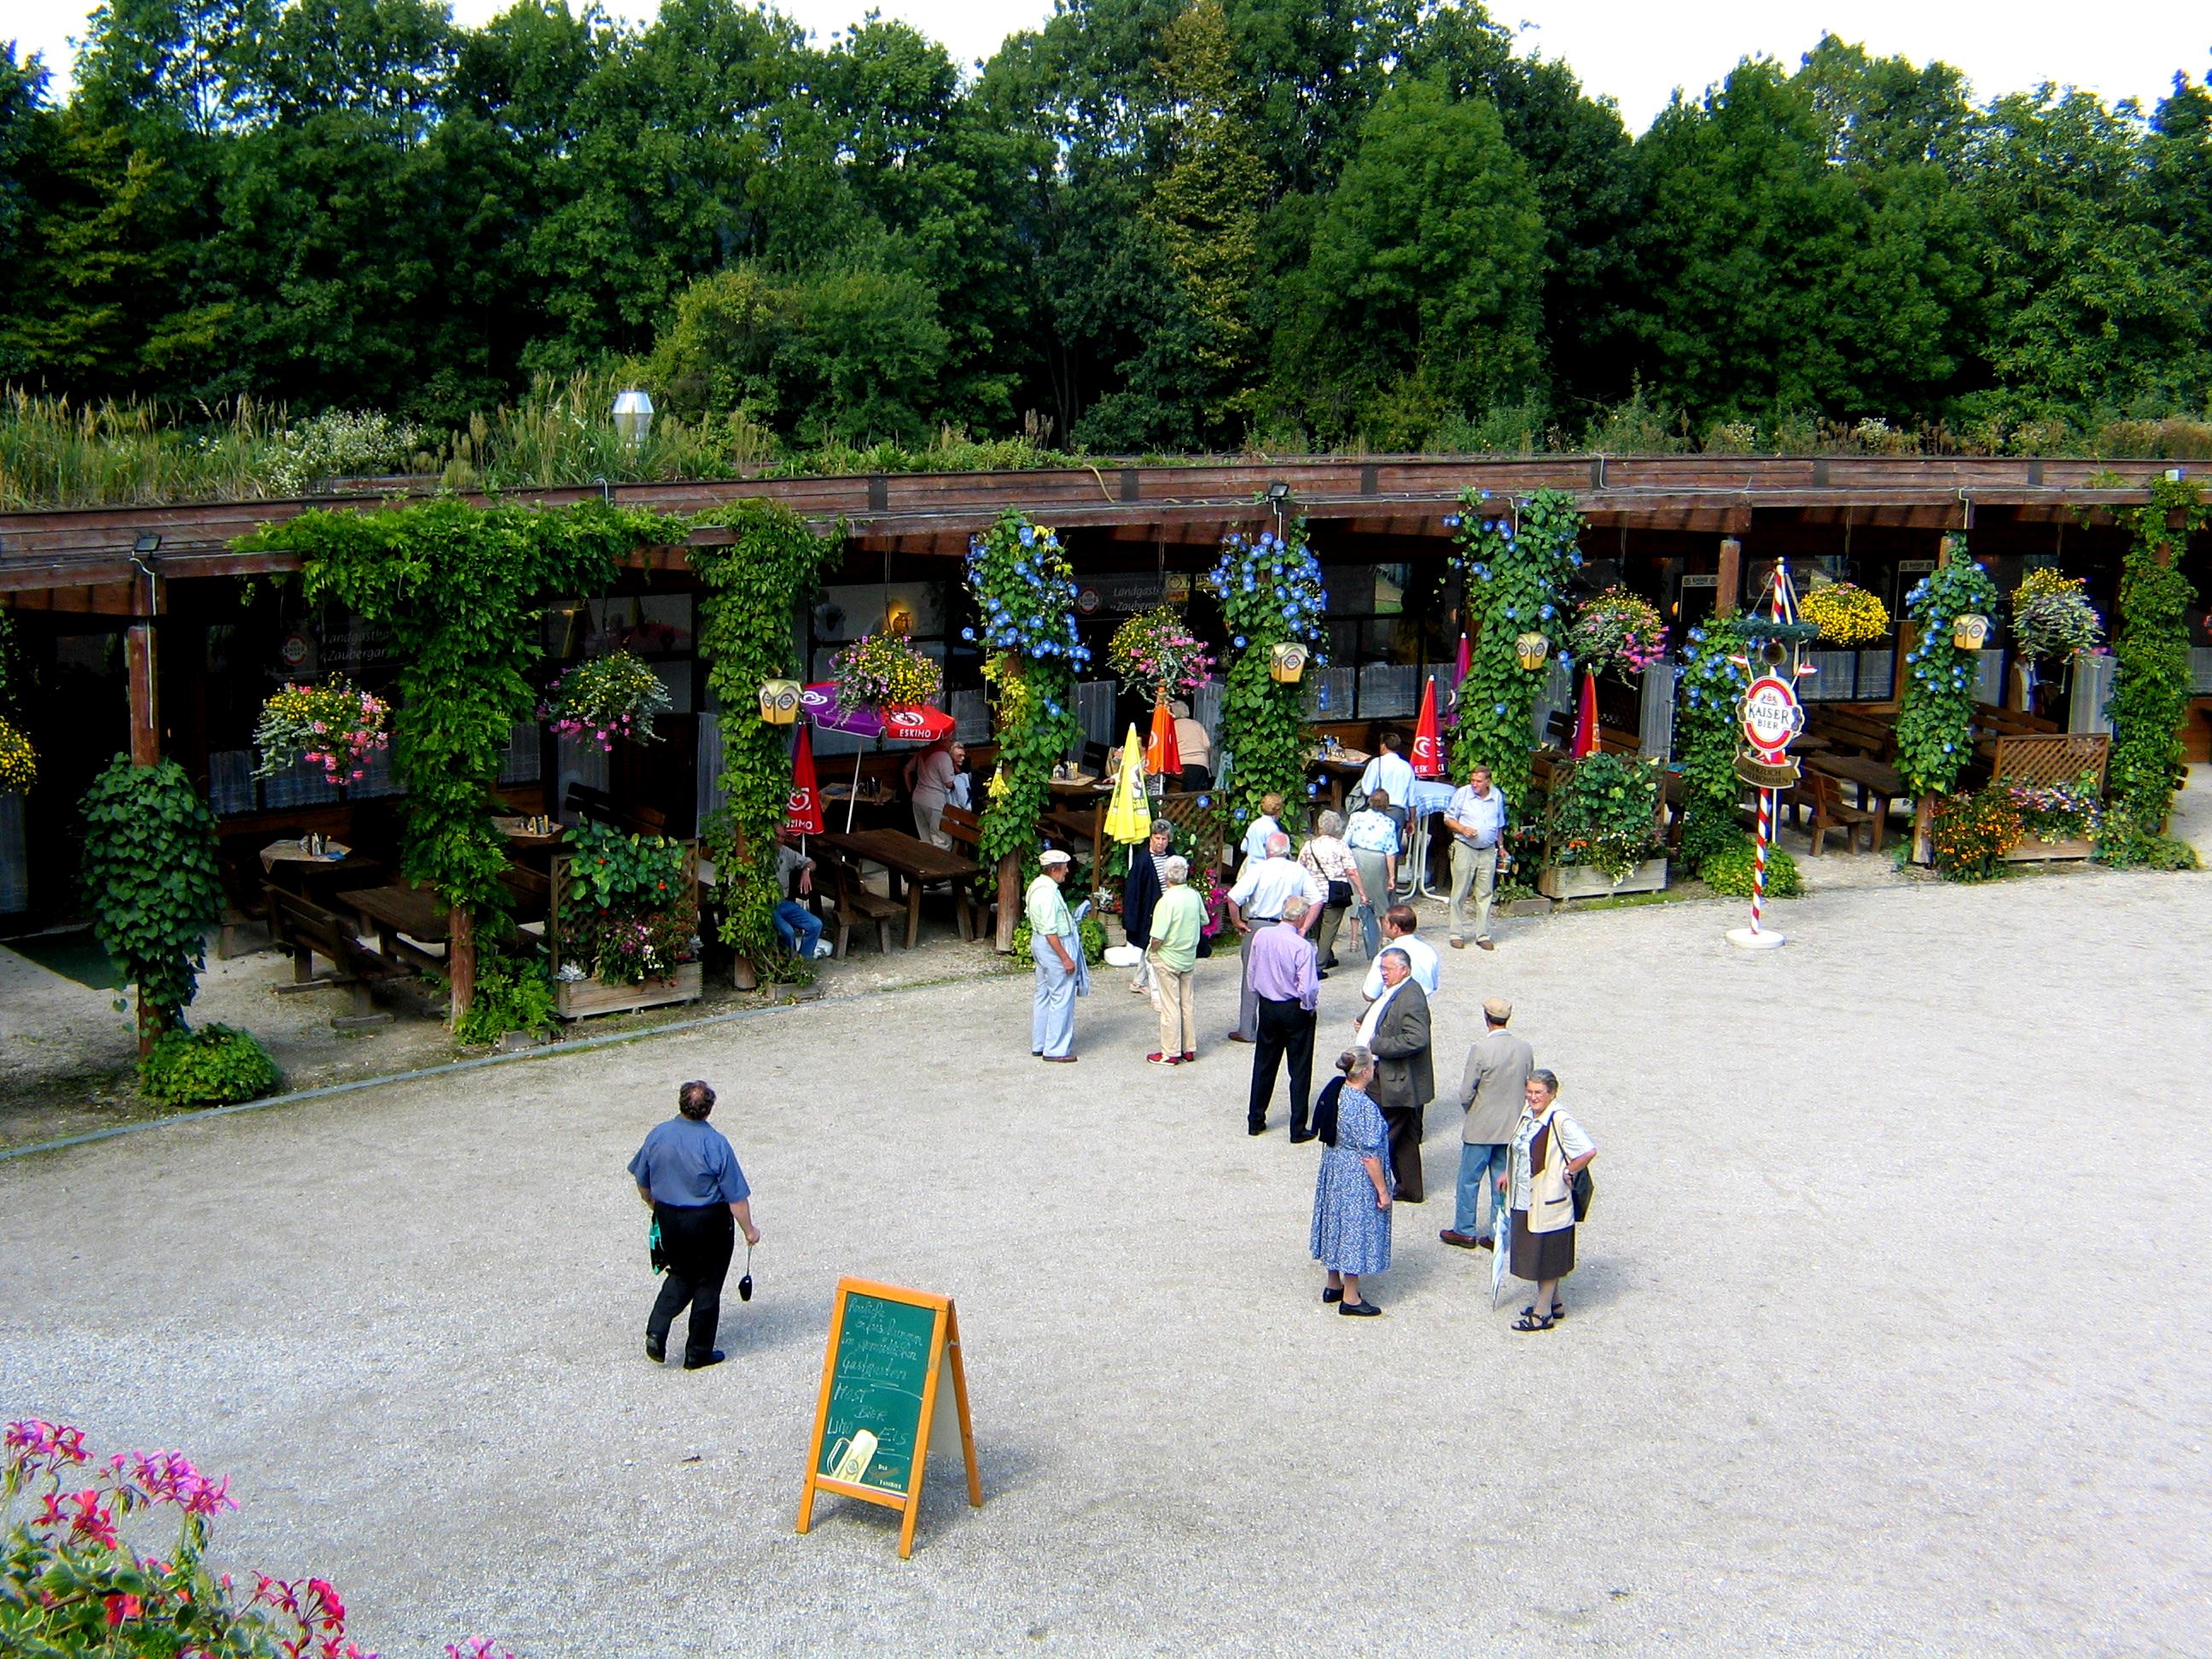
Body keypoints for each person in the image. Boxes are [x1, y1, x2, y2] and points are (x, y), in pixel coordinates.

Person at [628, 1080, 760, 1371]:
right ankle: (698, 1352)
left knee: (680, 1274)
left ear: (680, 1103)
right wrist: (749, 1230)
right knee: (708, 1285)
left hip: (669, 1217)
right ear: (709, 1109)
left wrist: (654, 1204)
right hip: (707, 1222)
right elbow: (735, 1197)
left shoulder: (658, 1134)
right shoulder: (715, 1143)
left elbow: (641, 1180)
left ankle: (656, 1329)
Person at [1502, 1069, 1597, 1331]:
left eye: (1538, 1093)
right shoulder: (1529, 1114)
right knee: (1536, 1251)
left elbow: (1588, 1150)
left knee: (1545, 1255)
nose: (1532, 1097)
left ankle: (1542, 1313)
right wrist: (1506, 1173)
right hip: (1526, 1197)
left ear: (1552, 1093)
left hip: (1548, 1199)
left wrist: (1569, 1170)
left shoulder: (1560, 1119)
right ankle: (1554, 1302)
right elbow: (1520, 1148)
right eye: (1530, 1091)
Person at [1440, 997, 1534, 1249]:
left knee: (1469, 1180)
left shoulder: (1481, 1049)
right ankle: (1498, 1232)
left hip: (1481, 1127)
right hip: (1510, 1127)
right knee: (1501, 1182)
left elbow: (1466, 1091)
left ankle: (1465, 1229)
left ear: (1486, 1017)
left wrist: (1471, 1110)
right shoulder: (1524, 1048)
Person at [1310, 1046, 1393, 1317]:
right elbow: (1370, 1156)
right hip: (1356, 1173)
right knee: (1355, 1228)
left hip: (1335, 1165)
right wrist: (1383, 1191)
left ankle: (1333, 1283)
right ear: (1366, 1071)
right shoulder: (1365, 1107)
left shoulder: (1337, 1091)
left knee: (1335, 1220)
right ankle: (1351, 1296)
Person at [1225, 830, 1323, 1045]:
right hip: (1288, 925)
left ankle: (1247, 1029)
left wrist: (1237, 922)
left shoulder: (1259, 869)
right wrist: (1304, 927)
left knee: (1252, 976)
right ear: (1287, 851)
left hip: (1259, 924)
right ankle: (1285, 1025)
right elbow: (1317, 900)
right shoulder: (1298, 870)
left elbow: (1233, 898)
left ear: (1267, 851)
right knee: (1288, 975)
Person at [1357, 947, 1433, 1202]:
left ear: (1404, 969)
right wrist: (1365, 1020)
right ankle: (1410, 1188)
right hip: (1392, 1077)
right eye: (1382, 969)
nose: (1383, 974)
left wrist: (1377, 1044)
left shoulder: (1411, 996)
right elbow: (1384, 1010)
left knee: (1382, 1133)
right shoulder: (1398, 989)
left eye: (1387, 969)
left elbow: (1417, 1038)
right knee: (1406, 1137)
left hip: (1396, 1080)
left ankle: (1370, 1186)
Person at [1246, 894, 1320, 1138]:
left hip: (1267, 1005)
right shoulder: (1302, 946)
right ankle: (1297, 1127)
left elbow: (1252, 969)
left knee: (1264, 1063)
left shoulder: (1262, 935)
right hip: (1293, 1007)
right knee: (1299, 1067)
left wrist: (1257, 991)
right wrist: (1308, 1007)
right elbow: (1308, 987)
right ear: (1300, 918)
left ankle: (1255, 1119)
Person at [1027, 848, 1088, 1062]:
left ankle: (1040, 1043)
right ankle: (1056, 1048)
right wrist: (1065, 958)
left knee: (1043, 994)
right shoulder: (1048, 894)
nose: (1067, 872)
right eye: (1064, 868)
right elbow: (1050, 932)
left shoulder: (1037, 886)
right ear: (1054, 869)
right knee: (1062, 996)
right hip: (1052, 945)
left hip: (1039, 945)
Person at [1145, 854, 1206, 1064]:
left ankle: (1170, 1052)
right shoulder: (1194, 895)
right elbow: (1204, 920)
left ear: (1166, 875)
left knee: (1170, 1005)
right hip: (1188, 956)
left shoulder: (1166, 900)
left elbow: (1157, 937)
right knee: (1186, 1003)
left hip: (1168, 957)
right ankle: (1189, 1048)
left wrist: (1152, 952)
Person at [1443, 763, 1509, 951]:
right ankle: (1456, 934)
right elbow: (1447, 818)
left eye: (1478, 781)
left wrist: (1501, 847)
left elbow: (1499, 825)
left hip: (1488, 850)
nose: (1474, 784)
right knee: (1459, 892)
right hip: (1465, 847)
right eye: (1472, 780)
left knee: (1485, 893)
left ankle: (1483, 935)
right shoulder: (1462, 794)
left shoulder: (1496, 796)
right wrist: (1462, 829)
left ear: (1488, 782)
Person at [1297, 810, 1365, 975]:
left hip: (1313, 893)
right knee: (1329, 929)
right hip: (1335, 892)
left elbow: (1300, 869)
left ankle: (1327, 956)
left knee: (1319, 926)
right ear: (1337, 828)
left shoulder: (1309, 845)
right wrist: (1362, 892)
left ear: (1320, 827)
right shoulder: (1340, 845)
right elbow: (1352, 872)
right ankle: (1318, 967)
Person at [1342, 789, 1401, 959]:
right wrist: (1392, 876)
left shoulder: (1356, 817)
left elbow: (1346, 841)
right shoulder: (1389, 823)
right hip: (1378, 860)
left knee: (1356, 899)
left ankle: (1354, 940)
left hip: (1357, 857)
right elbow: (1391, 852)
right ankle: (1383, 937)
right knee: (1380, 899)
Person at [1122, 820, 1173, 994]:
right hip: (1150, 911)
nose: (1160, 842)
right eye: (1157, 838)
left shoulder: (1171, 856)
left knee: (1152, 946)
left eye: (1164, 839)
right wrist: (1132, 918)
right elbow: (1134, 891)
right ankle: (1153, 985)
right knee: (1152, 946)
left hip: (1169, 908)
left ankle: (1139, 981)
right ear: (1151, 838)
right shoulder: (1143, 860)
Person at [1358, 905, 1440, 1002]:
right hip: (1421, 1008)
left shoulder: (1388, 954)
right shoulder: (1428, 950)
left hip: (1394, 1008)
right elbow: (1434, 985)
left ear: (1396, 928)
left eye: (1386, 922)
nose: (1383, 925)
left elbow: (1370, 994)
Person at [772, 830, 825, 961]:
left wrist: (806, 870)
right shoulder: (758, 853)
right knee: (788, 932)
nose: (779, 840)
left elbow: (811, 863)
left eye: (782, 837)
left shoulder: (786, 852)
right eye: (776, 835)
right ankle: (788, 962)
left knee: (815, 924)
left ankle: (803, 961)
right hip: (765, 905)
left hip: (782, 902)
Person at [1355, 733, 1417, 835]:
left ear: (1383, 746)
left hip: (1376, 809)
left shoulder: (1376, 763)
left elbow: (1367, 790)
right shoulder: (1407, 767)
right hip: (1398, 813)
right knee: (1393, 847)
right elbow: (1412, 800)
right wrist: (1411, 820)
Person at [905, 736, 957, 848]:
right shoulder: (943, 757)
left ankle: (926, 864)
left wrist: (911, 791)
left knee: (925, 840)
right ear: (943, 741)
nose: (951, 744)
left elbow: (907, 770)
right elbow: (949, 783)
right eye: (950, 741)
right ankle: (940, 866)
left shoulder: (923, 752)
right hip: (935, 803)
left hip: (918, 799)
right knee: (941, 841)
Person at [1171, 700, 1213, 789]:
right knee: (1197, 796)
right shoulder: (1197, 725)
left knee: (1180, 794)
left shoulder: (1172, 726)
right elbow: (1207, 745)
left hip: (1181, 765)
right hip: (1200, 764)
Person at [1239, 791, 1286, 867]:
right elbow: (1277, 854)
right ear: (1278, 810)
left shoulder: (1254, 825)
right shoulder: (1273, 829)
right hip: (1266, 870)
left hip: (1251, 869)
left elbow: (1243, 848)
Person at [946, 742, 974, 811]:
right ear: (951, 756)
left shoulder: (966, 768)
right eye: (959, 755)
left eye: (963, 755)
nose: (963, 758)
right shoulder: (948, 771)